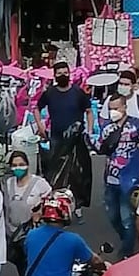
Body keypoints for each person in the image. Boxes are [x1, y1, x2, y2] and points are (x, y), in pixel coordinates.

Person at [90, 96, 139, 258]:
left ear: (124, 107)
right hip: (110, 178)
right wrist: (86, 137)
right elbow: (100, 147)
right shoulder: (108, 128)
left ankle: (127, 252)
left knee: (126, 218)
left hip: (129, 179)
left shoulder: (137, 125)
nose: (113, 111)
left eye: (116, 107)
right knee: (112, 216)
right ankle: (126, 240)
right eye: (111, 108)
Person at [34, 61, 95, 206]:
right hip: (56, 138)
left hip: (76, 140)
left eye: (65, 73)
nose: (63, 75)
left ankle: (78, 203)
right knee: (55, 172)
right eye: (60, 73)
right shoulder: (49, 93)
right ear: (55, 76)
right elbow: (36, 108)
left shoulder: (78, 92)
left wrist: (90, 131)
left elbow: (89, 111)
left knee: (78, 173)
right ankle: (56, 202)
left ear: (70, 74)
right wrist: (40, 126)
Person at [2, 150, 53, 235]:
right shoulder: (8, 183)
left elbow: (50, 201)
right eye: (14, 165)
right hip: (11, 232)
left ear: (27, 165)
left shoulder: (40, 183)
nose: (18, 168)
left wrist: (40, 212)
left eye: (21, 165)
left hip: (33, 232)